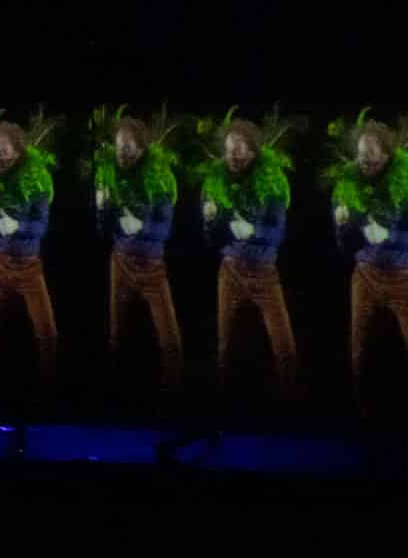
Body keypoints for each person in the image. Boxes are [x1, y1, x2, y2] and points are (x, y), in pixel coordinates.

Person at [327, 111, 408, 410]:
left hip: (400, 278)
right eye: (362, 155)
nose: (365, 161)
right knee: (359, 348)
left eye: (372, 155)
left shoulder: (407, 184)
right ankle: (361, 407)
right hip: (364, 276)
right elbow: (343, 247)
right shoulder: (348, 185)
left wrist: (386, 235)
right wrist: (342, 226)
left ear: (388, 155)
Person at [193, 112, 300, 397]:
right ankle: (223, 398)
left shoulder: (272, 182)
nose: (233, 156)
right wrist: (212, 221)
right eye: (229, 150)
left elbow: (276, 233)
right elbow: (210, 239)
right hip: (230, 271)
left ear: (253, 151)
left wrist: (247, 230)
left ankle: (290, 398)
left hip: (264, 273)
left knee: (283, 345)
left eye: (239, 150)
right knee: (225, 346)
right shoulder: (217, 182)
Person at [0, 115, 59, 385]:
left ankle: (49, 382)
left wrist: (16, 226)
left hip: (29, 266)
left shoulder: (36, 179)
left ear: (18, 153)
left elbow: (40, 227)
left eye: (4, 153)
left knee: (47, 332)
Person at [92, 109, 183, 392]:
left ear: (142, 149)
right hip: (120, 262)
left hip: (151, 265)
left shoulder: (159, 177)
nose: (122, 153)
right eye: (119, 147)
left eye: (128, 148)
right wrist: (104, 210)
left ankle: (174, 386)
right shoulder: (109, 175)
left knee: (168, 335)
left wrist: (137, 227)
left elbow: (164, 230)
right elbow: (103, 231)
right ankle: (116, 385)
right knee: (117, 331)